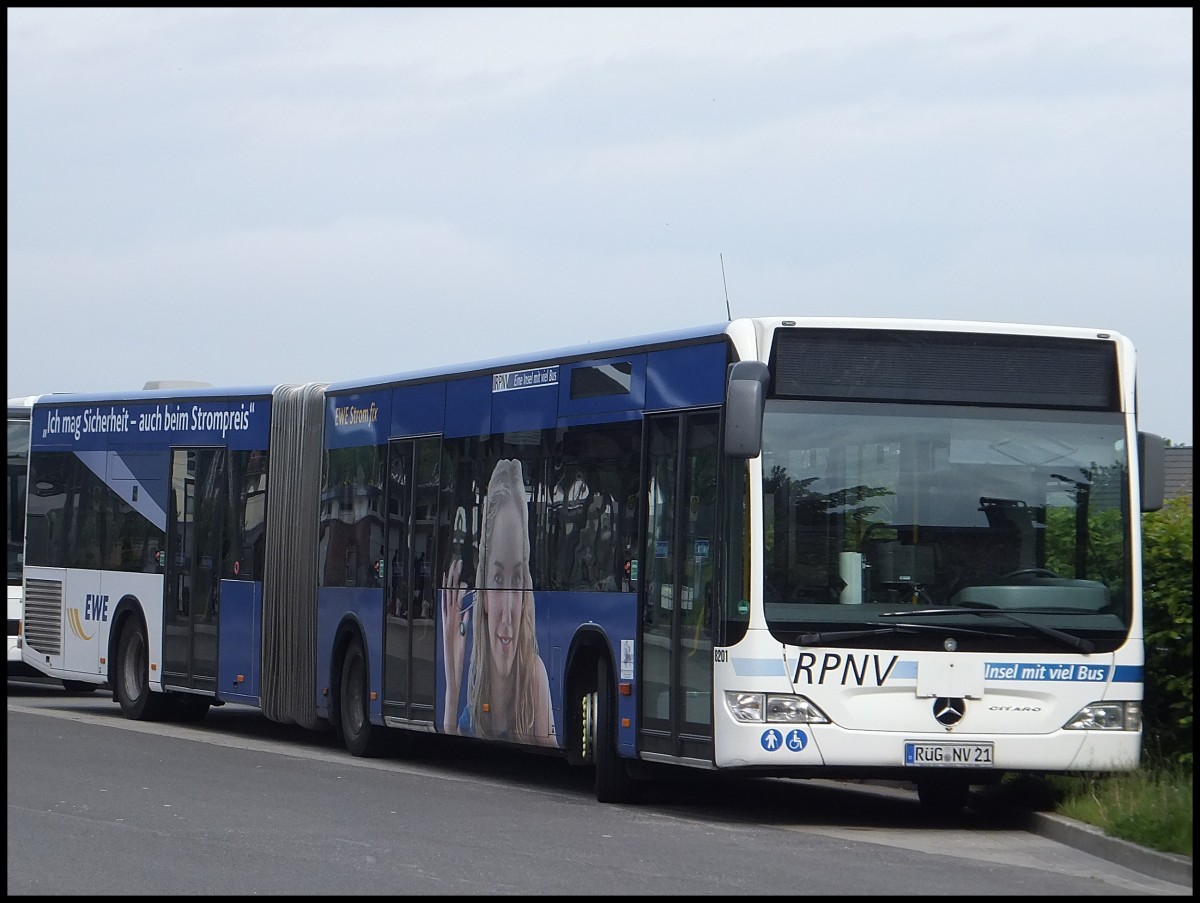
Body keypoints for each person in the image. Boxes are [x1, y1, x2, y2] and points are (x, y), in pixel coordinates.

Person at [441, 458, 556, 746]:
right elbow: (449, 758)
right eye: (497, 579)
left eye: (516, 579)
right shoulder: (472, 704)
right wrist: (453, 688)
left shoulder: (534, 678)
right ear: (483, 597)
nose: (507, 615)